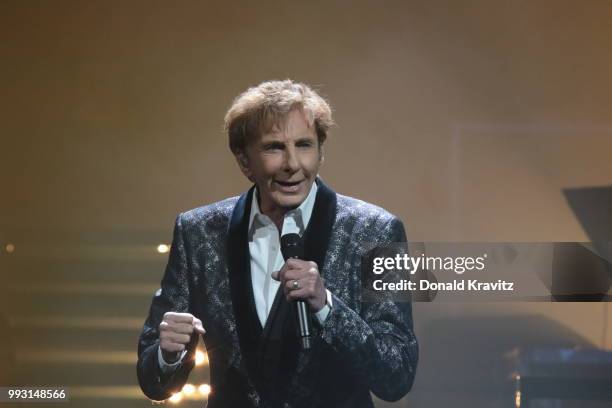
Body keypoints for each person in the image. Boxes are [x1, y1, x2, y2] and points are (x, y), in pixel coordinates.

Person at [137, 79, 418, 408]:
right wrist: (168, 355)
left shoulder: (378, 230)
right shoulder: (199, 232)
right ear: (244, 161)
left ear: (321, 152)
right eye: (274, 147)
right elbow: (154, 384)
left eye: (304, 145)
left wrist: (327, 306)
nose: (292, 164)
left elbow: (397, 375)